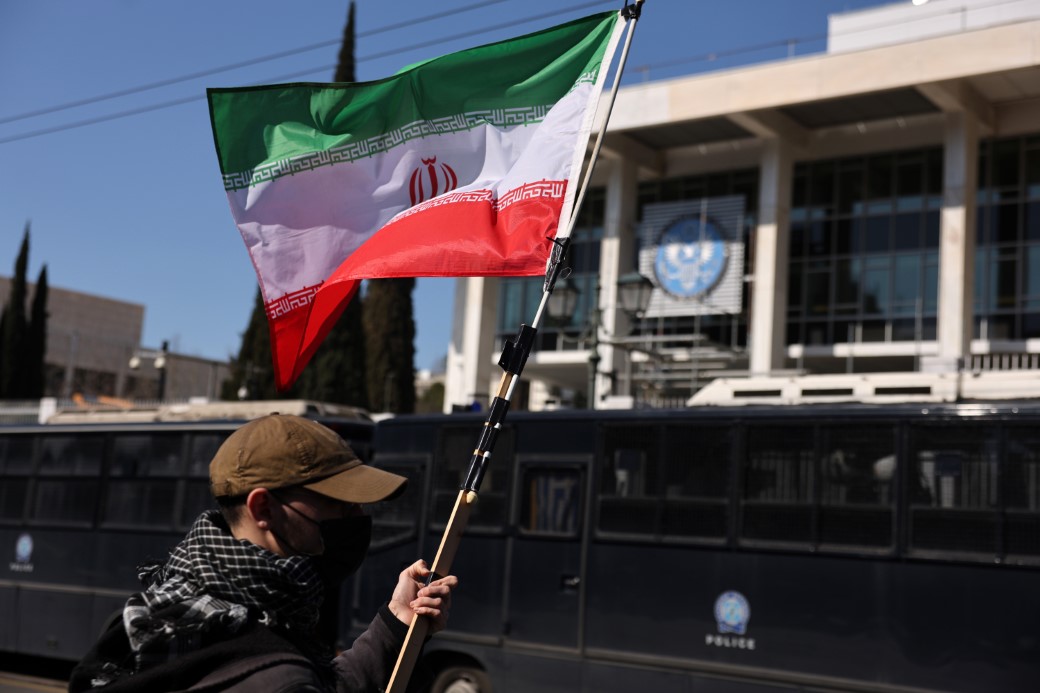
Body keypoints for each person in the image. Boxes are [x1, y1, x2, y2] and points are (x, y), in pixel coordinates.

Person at [69, 413, 457, 692]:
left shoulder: (173, 611)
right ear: (263, 509)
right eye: (338, 502)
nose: (357, 516)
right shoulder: (270, 667)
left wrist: (396, 623)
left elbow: (325, 684)